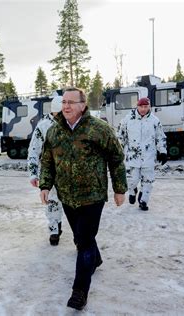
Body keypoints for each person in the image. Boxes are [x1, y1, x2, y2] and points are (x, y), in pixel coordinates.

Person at [39, 87, 127, 310]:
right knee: (80, 237)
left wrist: (119, 188)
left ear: (83, 105)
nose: (66, 106)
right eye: (64, 102)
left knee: (84, 241)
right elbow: (47, 160)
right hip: (67, 196)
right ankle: (95, 259)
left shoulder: (99, 129)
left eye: (71, 102)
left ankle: (79, 292)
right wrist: (45, 185)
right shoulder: (54, 131)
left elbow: (116, 158)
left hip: (92, 196)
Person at [117, 97, 167, 211]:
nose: (143, 109)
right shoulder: (128, 119)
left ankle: (143, 200)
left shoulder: (154, 121)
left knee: (148, 180)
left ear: (149, 107)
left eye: (146, 107)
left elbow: (160, 137)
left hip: (149, 156)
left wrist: (163, 151)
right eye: (141, 107)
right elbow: (121, 136)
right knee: (133, 179)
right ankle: (132, 190)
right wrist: (119, 151)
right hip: (133, 156)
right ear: (137, 106)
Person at [27, 95, 64, 246]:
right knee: (52, 201)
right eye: (58, 113)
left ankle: (74, 232)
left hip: (70, 173)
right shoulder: (43, 126)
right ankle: (54, 229)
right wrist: (33, 173)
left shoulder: (73, 124)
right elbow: (33, 151)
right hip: (50, 172)